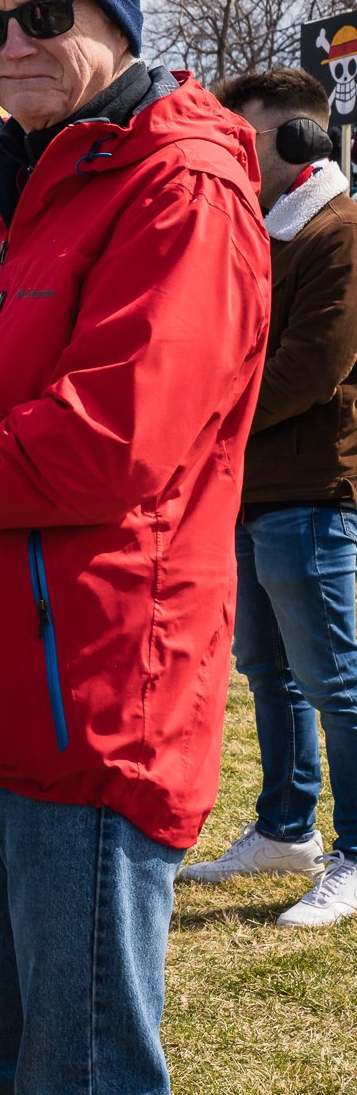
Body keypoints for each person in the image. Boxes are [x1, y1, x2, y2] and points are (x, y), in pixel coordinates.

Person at [0, 0, 270, 1095]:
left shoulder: (180, 193)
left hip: (91, 707)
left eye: (39, 14)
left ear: (111, 20)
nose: (7, 47)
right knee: (15, 1064)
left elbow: (100, 449)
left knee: (85, 1073)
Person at [173, 68, 357, 925]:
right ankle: (287, 827)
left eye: (247, 139)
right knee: (268, 669)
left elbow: (314, 367)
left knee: (336, 680)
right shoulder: (266, 230)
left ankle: (354, 850)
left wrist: (214, 418)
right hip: (254, 485)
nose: (234, 156)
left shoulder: (341, 231)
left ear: (297, 141)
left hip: (315, 485)